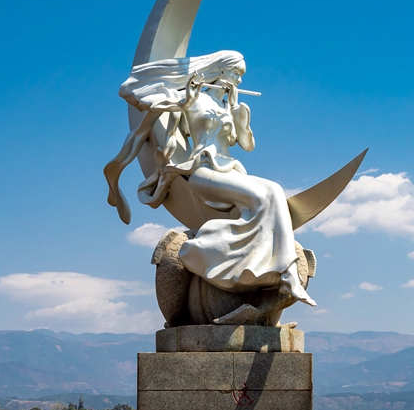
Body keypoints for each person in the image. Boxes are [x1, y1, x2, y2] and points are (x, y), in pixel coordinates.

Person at [105, 50, 314, 306]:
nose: (239, 79)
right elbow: (152, 116)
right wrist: (186, 100)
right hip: (204, 172)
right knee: (264, 196)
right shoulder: (193, 99)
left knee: (274, 191)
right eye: (236, 73)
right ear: (221, 71)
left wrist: (238, 112)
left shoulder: (233, 106)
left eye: (241, 76)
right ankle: (285, 271)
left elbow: (247, 145)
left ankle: (281, 269)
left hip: (231, 169)